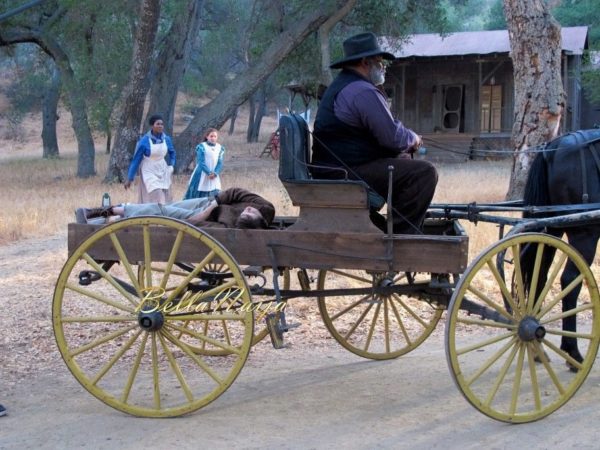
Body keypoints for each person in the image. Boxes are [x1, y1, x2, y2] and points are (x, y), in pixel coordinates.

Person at [311, 32, 438, 234]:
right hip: (344, 172)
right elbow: (392, 137)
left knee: (404, 162)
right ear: (365, 62)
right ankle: (399, 239)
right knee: (424, 173)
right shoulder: (363, 91)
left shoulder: (344, 86)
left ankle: (387, 226)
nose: (383, 67)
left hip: (334, 168)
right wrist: (413, 138)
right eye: (380, 62)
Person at [76, 188, 275, 229]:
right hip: (209, 203)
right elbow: (234, 192)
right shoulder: (265, 207)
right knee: (166, 205)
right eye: (249, 210)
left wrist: (201, 217)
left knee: (160, 210)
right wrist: (212, 205)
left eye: (247, 213)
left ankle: (103, 213)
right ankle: (106, 216)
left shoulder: (229, 228)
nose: (247, 208)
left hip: (199, 218)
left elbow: (200, 227)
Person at [125, 114, 176, 203]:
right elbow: (136, 160)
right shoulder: (144, 141)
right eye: (158, 124)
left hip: (163, 168)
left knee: (166, 195)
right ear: (152, 126)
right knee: (157, 194)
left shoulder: (166, 139)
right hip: (149, 170)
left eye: (162, 124)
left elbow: (172, 152)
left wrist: (172, 165)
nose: (160, 126)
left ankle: (164, 215)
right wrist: (130, 178)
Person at [183, 128, 225, 200]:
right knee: (197, 195)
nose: (213, 138)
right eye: (211, 136)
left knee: (214, 195)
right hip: (201, 173)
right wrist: (208, 173)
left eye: (215, 136)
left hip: (214, 175)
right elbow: (201, 162)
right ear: (207, 136)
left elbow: (220, 162)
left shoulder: (220, 148)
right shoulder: (202, 147)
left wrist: (215, 173)